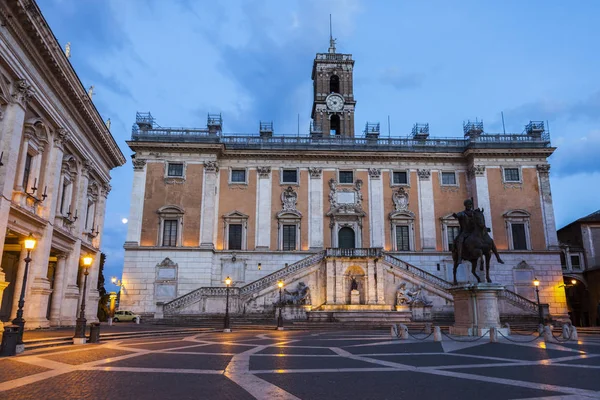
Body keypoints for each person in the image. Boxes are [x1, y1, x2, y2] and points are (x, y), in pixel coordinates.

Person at [452, 199, 476, 264]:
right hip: (465, 232)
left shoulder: (474, 213)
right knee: (459, 241)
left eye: (470, 204)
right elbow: (457, 215)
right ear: (465, 205)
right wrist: (455, 216)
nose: (470, 206)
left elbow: (480, 221)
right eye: (468, 204)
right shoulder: (462, 213)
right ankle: (459, 257)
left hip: (474, 232)